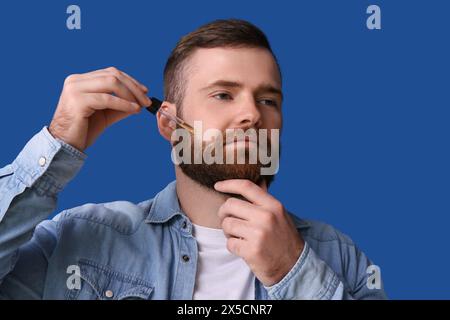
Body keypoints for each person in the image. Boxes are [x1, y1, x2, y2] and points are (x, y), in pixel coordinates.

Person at [0, 19, 386, 300]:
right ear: (169, 123)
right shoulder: (81, 240)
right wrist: (56, 142)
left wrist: (292, 271)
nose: (252, 114)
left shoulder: (338, 255)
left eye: (268, 100)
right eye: (223, 95)